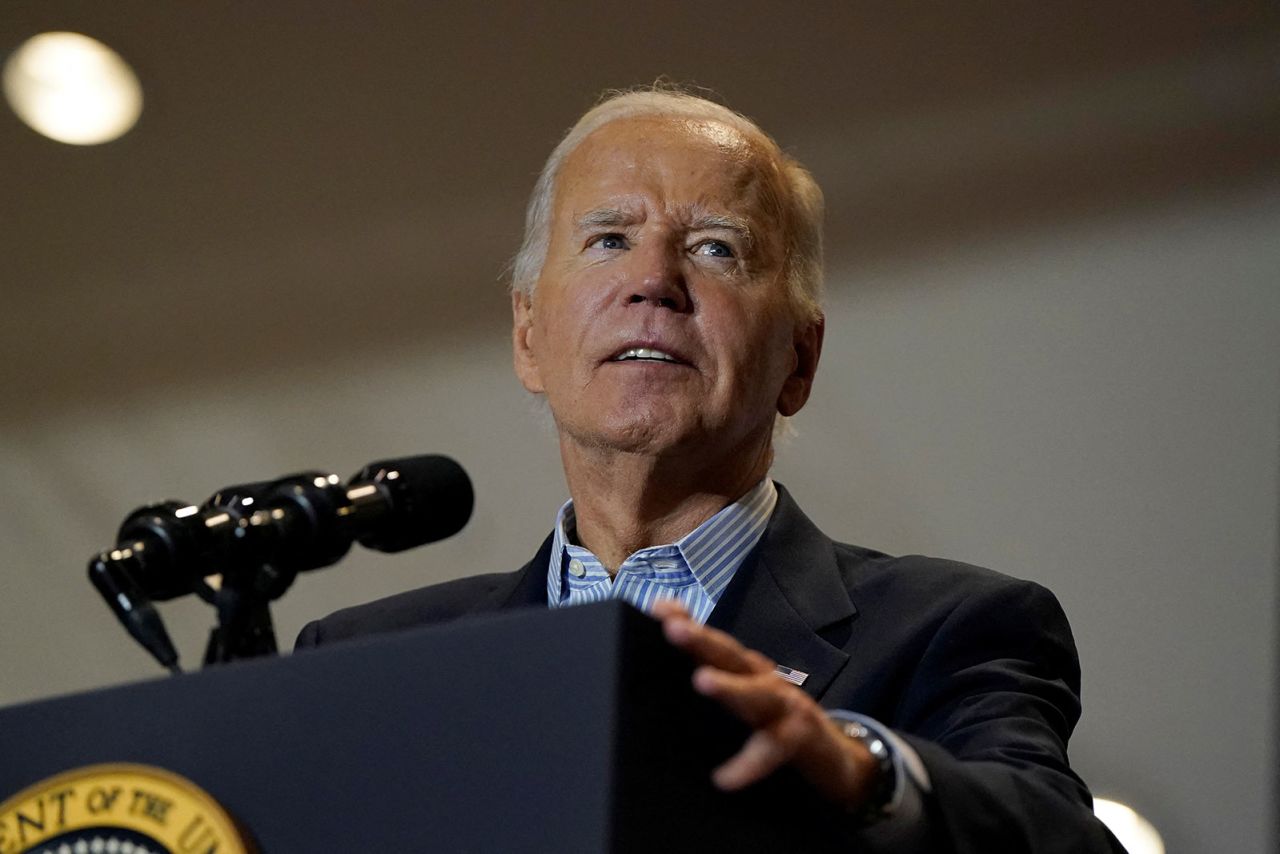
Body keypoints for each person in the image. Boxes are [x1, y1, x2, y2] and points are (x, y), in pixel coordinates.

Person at [297, 86, 1122, 852]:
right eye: (609, 239)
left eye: (716, 249)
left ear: (799, 358)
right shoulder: (368, 661)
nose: (653, 280)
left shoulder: (951, 629)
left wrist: (862, 772)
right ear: (527, 336)